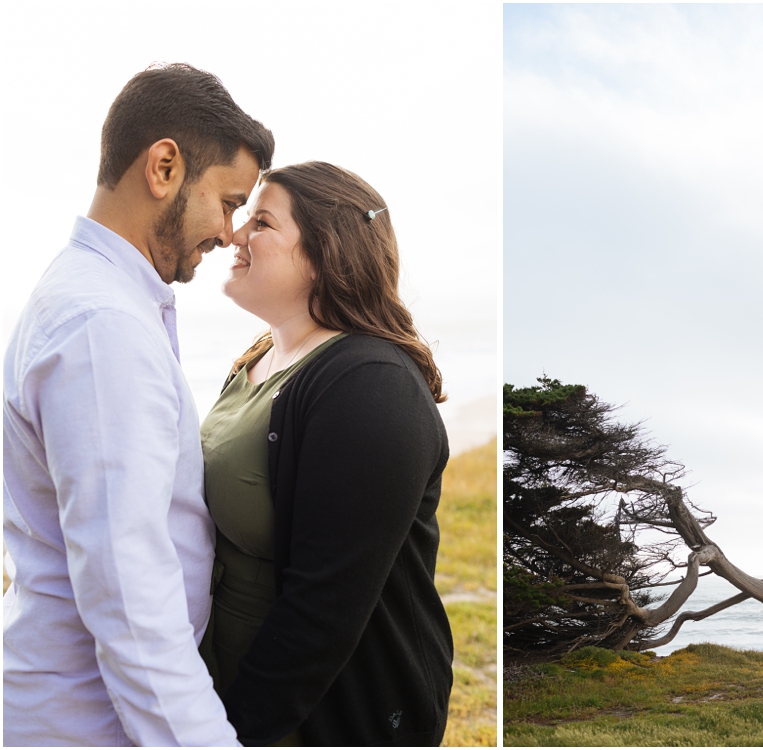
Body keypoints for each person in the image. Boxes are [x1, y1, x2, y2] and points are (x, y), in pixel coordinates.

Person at [3, 63, 274, 746]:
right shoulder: (102, 328)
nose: (231, 231)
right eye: (229, 201)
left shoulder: (103, 300)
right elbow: (129, 600)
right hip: (90, 723)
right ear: (163, 168)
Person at [198, 161, 453, 745]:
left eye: (261, 222)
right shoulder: (259, 357)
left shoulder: (369, 384)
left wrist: (235, 734)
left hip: (320, 720)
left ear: (323, 253)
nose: (234, 234)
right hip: (221, 699)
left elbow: (324, 610)